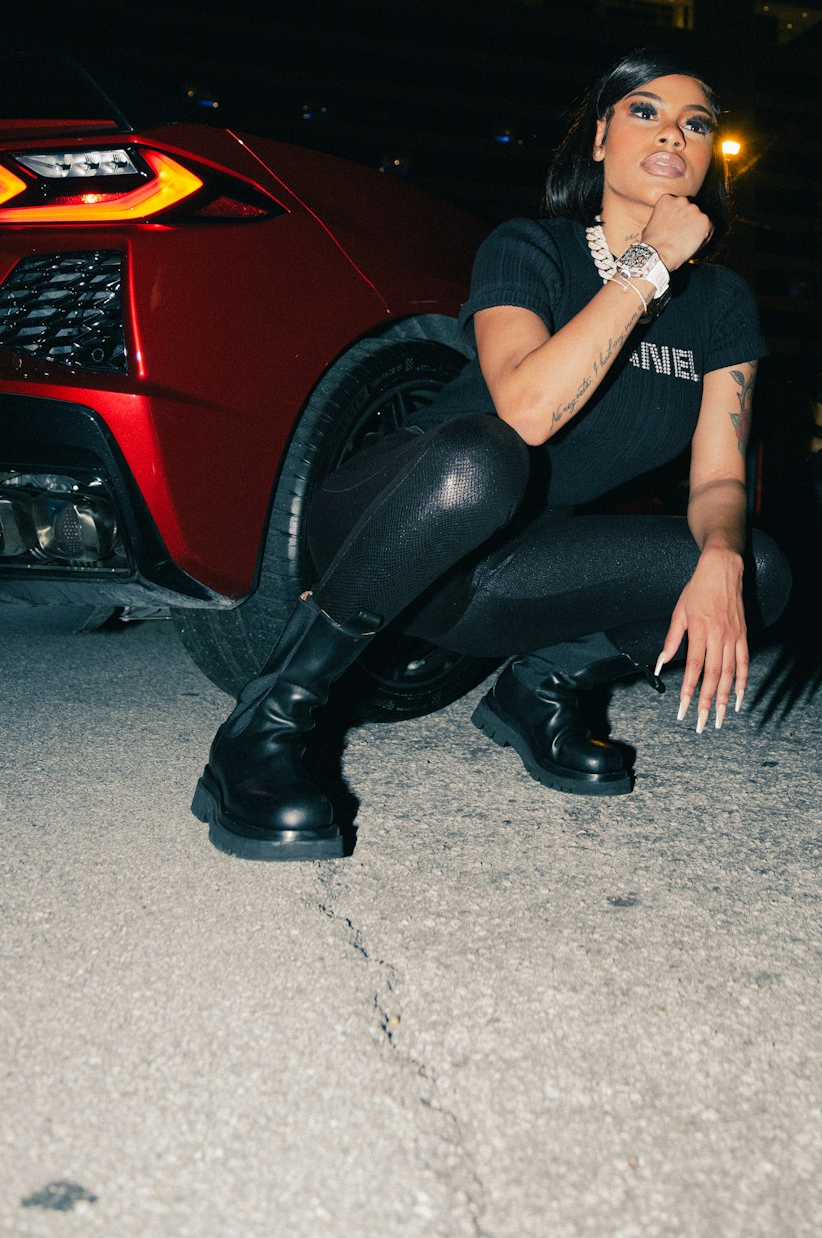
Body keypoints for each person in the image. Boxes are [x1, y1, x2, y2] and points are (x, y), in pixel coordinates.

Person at [193, 48, 791, 860]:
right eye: (644, 111)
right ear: (599, 141)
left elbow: (719, 472)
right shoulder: (529, 249)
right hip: (395, 522)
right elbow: (530, 410)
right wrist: (648, 267)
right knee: (486, 459)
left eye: (696, 124)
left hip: (507, 578)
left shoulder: (721, 305)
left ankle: (539, 686)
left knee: (757, 570)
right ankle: (267, 722)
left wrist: (719, 552)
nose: (673, 134)